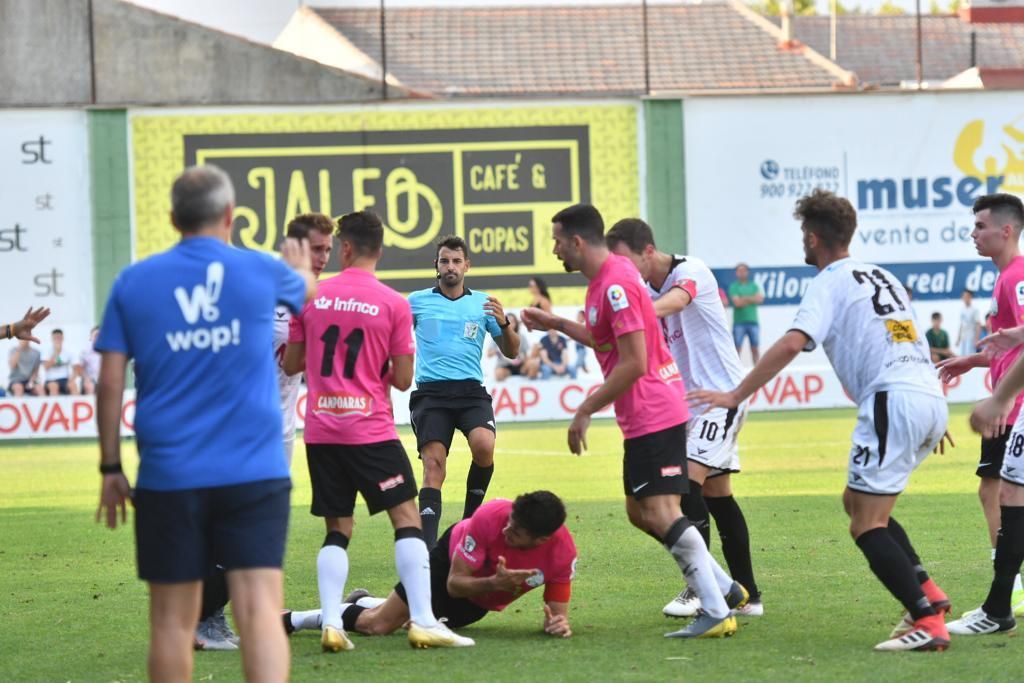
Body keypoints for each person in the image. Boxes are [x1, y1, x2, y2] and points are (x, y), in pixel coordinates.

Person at [691, 189, 951, 652]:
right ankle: (929, 593)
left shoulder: (829, 281)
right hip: (923, 394)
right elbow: (902, 337)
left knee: (865, 524)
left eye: (802, 236)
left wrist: (735, 393)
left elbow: (793, 343)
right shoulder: (882, 276)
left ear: (813, 238)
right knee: (856, 500)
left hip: (895, 400)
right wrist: (926, 402)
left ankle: (926, 621)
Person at [94, 165, 316, 682]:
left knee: (171, 623)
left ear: (173, 219)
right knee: (260, 611)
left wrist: (109, 465)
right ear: (230, 216)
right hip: (255, 472)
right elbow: (304, 288)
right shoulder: (261, 271)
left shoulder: (133, 282)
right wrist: (301, 267)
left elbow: (109, 381)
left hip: (170, 475)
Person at [521, 204, 747, 640]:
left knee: (662, 512)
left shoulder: (618, 284)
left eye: (557, 241)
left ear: (578, 242)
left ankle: (716, 609)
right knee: (639, 512)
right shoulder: (601, 285)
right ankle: (725, 588)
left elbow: (635, 362)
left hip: (654, 410)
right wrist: (555, 323)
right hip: (643, 413)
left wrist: (585, 408)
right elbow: (601, 339)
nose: (554, 250)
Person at [283, 210, 473, 651]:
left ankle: (332, 622)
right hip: (369, 429)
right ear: (379, 250)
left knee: (338, 528)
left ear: (344, 248)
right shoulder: (391, 302)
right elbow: (405, 379)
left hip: (323, 428)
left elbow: (291, 364)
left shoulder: (311, 296)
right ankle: (423, 619)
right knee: (407, 520)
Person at [193, 212, 336, 652]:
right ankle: (205, 620)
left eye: (329, 250)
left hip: (280, 428)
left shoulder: (309, 294)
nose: (324, 258)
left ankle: (215, 615)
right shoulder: (261, 284)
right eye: (316, 249)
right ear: (293, 246)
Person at [605, 218, 763, 619]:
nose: (622, 269)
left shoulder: (691, 270)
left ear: (648, 251)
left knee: (683, 487)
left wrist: (635, 313)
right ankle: (748, 595)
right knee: (718, 496)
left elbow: (676, 301)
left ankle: (701, 587)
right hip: (685, 404)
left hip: (722, 397)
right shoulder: (640, 287)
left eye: (626, 260)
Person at [282, 491, 576, 640]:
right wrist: (494, 583)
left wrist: (557, 623)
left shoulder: (562, 556)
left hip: (476, 603)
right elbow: (454, 584)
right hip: (448, 564)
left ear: (542, 540)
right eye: (509, 522)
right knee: (379, 625)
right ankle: (292, 619)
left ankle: (364, 600)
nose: (505, 531)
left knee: (409, 619)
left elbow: (556, 614)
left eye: (515, 533)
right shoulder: (490, 516)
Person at [937, 193, 1024, 619]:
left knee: (997, 489)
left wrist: (1002, 398)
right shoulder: (1004, 277)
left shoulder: (1016, 276)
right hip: (1008, 399)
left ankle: (1013, 584)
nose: (973, 234)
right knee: (997, 488)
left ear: (1006, 231)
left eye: (980, 227)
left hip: (1014, 404)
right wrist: (970, 361)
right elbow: (1011, 342)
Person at [408, 236, 520, 550]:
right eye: (445, 261)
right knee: (434, 466)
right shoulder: (416, 302)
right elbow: (391, 335)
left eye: (457, 261)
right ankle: (427, 551)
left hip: (471, 393)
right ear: (437, 265)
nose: (450, 267)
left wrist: (505, 323)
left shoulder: (483, 304)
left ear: (466, 266)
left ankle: (470, 525)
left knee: (484, 446)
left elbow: (511, 351)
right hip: (431, 395)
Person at [728, 263, 763, 363]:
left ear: (747, 272)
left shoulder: (754, 285)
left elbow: (760, 299)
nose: (742, 273)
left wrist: (743, 298)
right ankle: (735, 372)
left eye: (744, 271)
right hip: (739, 322)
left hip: (753, 321)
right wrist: (751, 298)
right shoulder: (734, 286)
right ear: (736, 273)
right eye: (739, 271)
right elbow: (737, 303)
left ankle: (757, 372)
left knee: (755, 348)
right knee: (737, 349)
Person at [488, 313, 535, 381]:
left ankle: (531, 383)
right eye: (508, 321)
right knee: (498, 374)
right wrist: (497, 350)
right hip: (505, 366)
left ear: (516, 324)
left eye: (512, 321)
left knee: (533, 364)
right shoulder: (498, 336)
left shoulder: (521, 337)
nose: (510, 324)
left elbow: (527, 355)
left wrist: (525, 362)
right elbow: (488, 354)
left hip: (521, 366)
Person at [42, 328, 78, 396]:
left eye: (59, 338)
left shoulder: (69, 351)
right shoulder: (46, 351)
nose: (57, 340)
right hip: (51, 380)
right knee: (54, 386)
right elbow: (46, 367)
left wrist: (72, 379)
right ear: (52, 339)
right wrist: (56, 353)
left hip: (64, 379)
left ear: (63, 338)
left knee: (73, 385)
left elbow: (76, 368)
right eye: (55, 338)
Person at [75, 327, 101, 395]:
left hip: (104, 379)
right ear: (91, 338)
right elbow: (79, 368)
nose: (98, 338)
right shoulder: (85, 351)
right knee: (89, 385)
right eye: (96, 335)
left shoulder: (108, 350)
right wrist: (86, 378)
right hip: (90, 380)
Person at [957, 289, 982, 357]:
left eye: (967, 296)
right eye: (964, 296)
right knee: (962, 356)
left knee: (969, 356)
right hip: (963, 337)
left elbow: (978, 324)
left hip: (971, 336)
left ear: (970, 297)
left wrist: (976, 339)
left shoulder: (974, 310)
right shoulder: (962, 310)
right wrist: (958, 339)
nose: (965, 298)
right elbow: (962, 324)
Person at [572, 310, 589, 376]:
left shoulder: (583, 326)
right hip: (578, 348)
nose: (578, 318)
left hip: (581, 348)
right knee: (582, 363)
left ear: (583, 318)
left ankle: (573, 372)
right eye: (577, 316)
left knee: (578, 363)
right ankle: (586, 371)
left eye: (579, 316)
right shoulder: (576, 326)